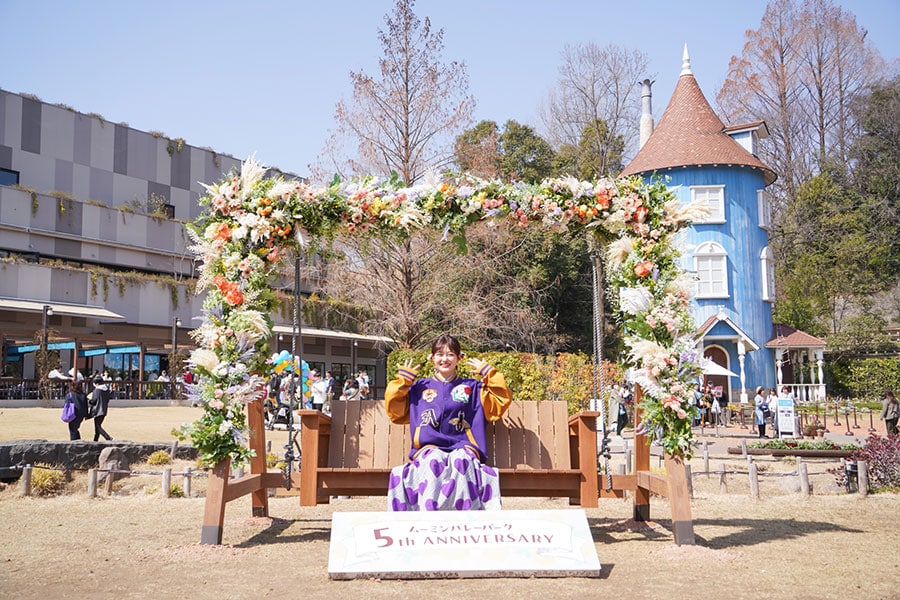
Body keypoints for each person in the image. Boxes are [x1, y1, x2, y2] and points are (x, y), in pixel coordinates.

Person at [384, 334, 512, 511]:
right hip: (428, 449)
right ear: (432, 358)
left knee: (462, 461)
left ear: (459, 358)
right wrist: (403, 382)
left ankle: (468, 520)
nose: (445, 359)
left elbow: (500, 401)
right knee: (433, 461)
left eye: (450, 354)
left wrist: (490, 374)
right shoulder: (418, 388)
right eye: (439, 354)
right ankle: (427, 519)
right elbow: (395, 412)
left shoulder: (474, 388)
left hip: (465, 447)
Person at [89, 376, 113, 441]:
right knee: (98, 425)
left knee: (97, 426)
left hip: (97, 410)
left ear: (96, 383)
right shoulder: (106, 390)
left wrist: (89, 400)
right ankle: (95, 440)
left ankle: (108, 438)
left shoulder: (97, 390)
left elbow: (94, 400)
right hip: (104, 409)